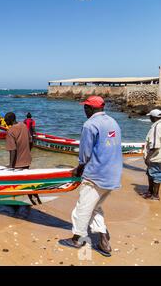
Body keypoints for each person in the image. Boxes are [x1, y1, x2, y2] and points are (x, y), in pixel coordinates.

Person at [59, 96, 123, 257]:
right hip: (113, 174)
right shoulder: (112, 122)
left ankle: (76, 239)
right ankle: (103, 241)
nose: (84, 110)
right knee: (95, 208)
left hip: (96, 175)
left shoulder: (90, 124)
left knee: (82, 208)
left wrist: (79, 168)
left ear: (91, 109)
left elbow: (85, 153)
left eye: (86, 107)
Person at [142, 109, 161, 201]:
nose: (149, 118)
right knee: (151, 173)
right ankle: (150, 192)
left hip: (156, 156)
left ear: (154, 117)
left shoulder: (156, 127)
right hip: (158, 156)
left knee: (155, 174)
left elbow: (155, 145)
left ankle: (155, 195)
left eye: (150, 116)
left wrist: (148, 158)